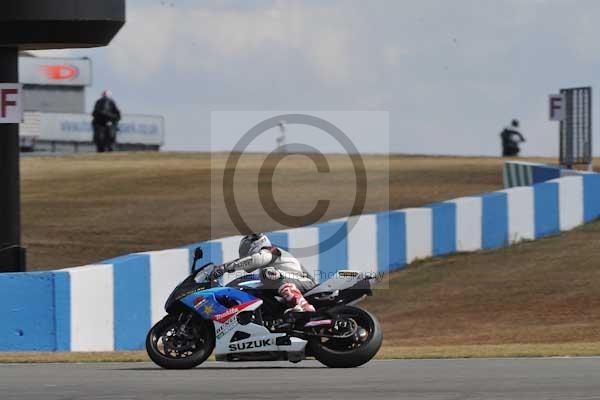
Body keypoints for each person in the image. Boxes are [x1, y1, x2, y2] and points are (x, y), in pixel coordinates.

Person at [214, 233, 316, 312]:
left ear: (255, 245)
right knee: (259, 288)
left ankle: (303, 305)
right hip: (295, 282)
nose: (245, 255)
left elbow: (256, 259)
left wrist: (225, 267)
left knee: (267, 274)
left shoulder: (270, 251)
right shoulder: (270, 263)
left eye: (246, 249)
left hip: (305, 283)